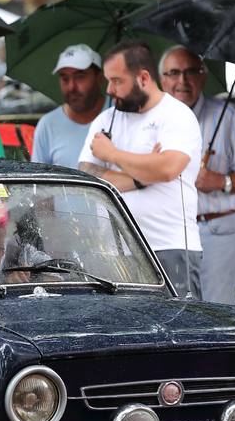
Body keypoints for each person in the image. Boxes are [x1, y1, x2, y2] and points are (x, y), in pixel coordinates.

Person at [77, 40, 202, 297]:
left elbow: (168, 167)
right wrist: (142, 177)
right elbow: (87, 176)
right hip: (113, 250)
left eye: (117, 81)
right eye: (108, 80)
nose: (110, 89)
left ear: (143, 78)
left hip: (168, 246)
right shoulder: (106, 120)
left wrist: (111, 154)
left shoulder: (176, 115)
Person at [158, 45, 235, 303]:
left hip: (217, 231)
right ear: (161, 79)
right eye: (173, 73)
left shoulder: (228, 118)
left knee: (221, 312)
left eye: (190, 72)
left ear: (203, 76)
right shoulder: (154, 120)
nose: (181, 81)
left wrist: (221, 181)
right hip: (169, 233)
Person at [32, 44, 106, 168]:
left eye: (80, 77)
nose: (71, 87)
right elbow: (37, 181)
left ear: (99, 78)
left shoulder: (120, 115)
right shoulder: (48, 125)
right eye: (65, 78)